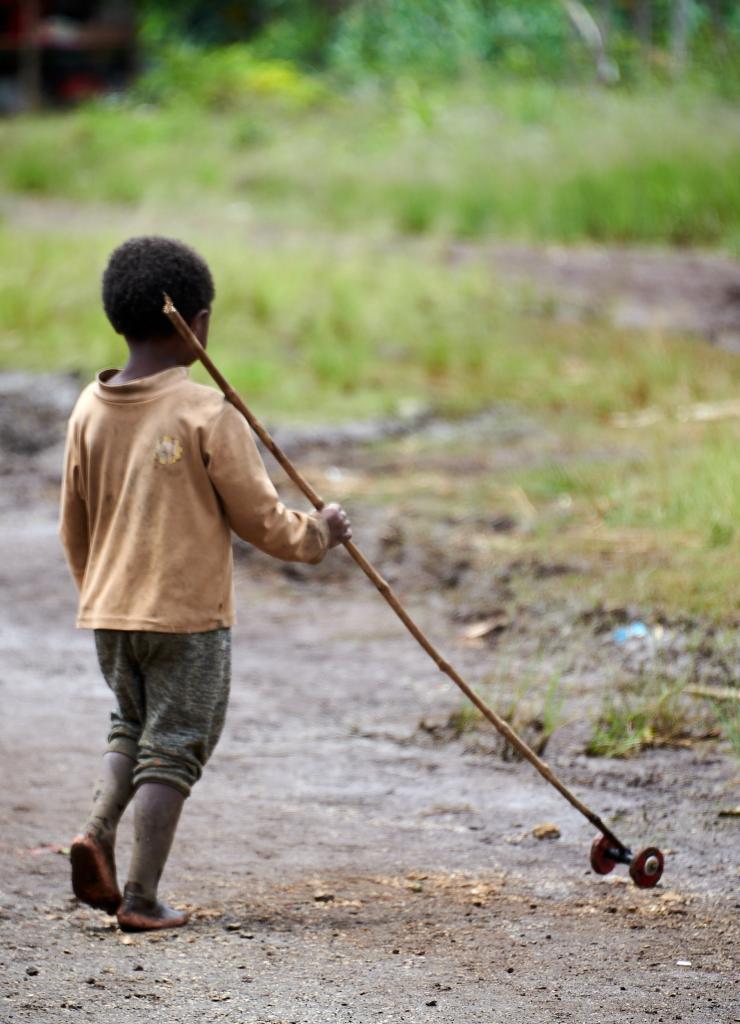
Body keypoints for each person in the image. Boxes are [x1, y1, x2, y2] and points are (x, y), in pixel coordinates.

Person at [59, 235, 352, 932]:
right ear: (196, 322)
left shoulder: (88, 410)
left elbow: (72, 522)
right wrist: (319, 534)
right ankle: (141, 895)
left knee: (131, 725)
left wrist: (95, 590)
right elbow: (260, 518)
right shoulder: (206, 413)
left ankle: (97, 831)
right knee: (177, 743)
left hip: (109, 614)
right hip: (187, 621)